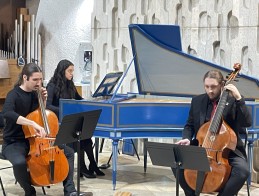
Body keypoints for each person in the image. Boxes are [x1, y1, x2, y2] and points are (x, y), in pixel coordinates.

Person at [1, 62, 85, 196]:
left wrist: (43, 101)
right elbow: (7, 113)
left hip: (37, 140)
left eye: (40, 79)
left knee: (68, 152)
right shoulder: (14, 94)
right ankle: (30, 191)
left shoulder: (36, 94)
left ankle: (70, 190)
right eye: (35, 79)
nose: (39, 83)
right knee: (19, 162)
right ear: (25, 78)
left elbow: (40, 115)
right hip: (14, 141)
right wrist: (32, 124)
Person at [176, 70, 252, 196]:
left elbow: (247, 122)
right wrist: (187, 138)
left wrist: (239, 99)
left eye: (213, 87)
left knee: (242, 171)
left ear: (222, 85)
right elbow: (189, 125)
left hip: (227, 151)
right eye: (207, 87)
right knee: (177, 162)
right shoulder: (197, 101)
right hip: (201, 147)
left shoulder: (233, 100)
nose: (210, 90)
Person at [46, 59, 105, 178]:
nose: (71, 73)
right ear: (62, 71)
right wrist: (64, 110)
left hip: (71, 118)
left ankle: (92, 164)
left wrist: (91, 101)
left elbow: (79, 99)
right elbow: (48, 106)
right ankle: (83, 167)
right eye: (69, 71)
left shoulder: (70, 85)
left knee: (86, 136)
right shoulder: (52, 86)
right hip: (59, 121)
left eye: (72, 71)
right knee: (80, 136)